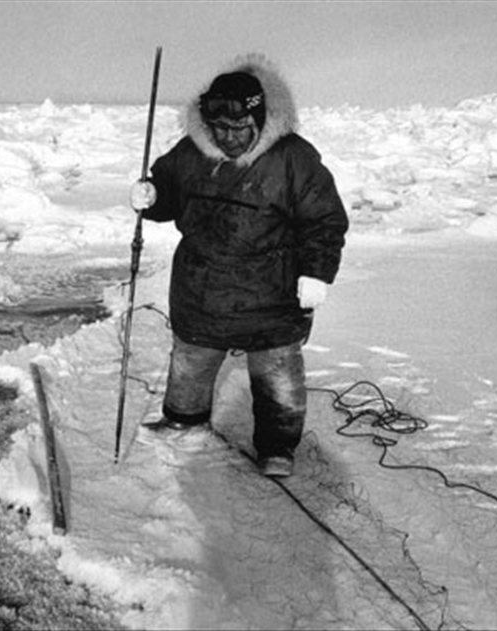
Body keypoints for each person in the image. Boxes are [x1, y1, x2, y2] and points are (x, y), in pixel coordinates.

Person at [129, 54, 349, 477]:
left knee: (277, 372)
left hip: (272, 293)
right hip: (201, 287)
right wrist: (152, 197)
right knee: (191, 359)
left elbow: (324, 219)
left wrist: (317, 272)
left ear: (261, 119)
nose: (229, 138)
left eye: (239, 129)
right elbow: (169, 191)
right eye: (221, 129)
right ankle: (184, 423)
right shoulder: (191, 153)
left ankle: (277, 449)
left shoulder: (293, 159)